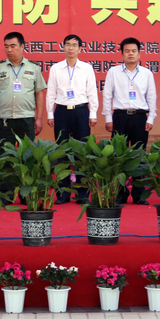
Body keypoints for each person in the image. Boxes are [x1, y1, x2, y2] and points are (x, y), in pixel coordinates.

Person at [0, 32, 47, 202]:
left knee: (27, 157)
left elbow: (39, 94)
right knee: (5, 157)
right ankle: (5, 194)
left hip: (26, 118)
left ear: (22, 46)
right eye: (6, 46)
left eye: (13, 46)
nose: (9, 50)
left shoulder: (33, 68)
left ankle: (26, 194)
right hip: (4, 119)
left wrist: (39, 118)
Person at [102, 37, 156, 205]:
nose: (130, 54)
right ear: (122, 54)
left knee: (139, 156)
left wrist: (151, 117)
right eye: (127, 51)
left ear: (139, 54)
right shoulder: (113, 72)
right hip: (120, 117)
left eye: (134, 51)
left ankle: (139, 194)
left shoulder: (147, 74)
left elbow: (152, 97)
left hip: (140, 117)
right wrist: (108, 118)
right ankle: (121, 193)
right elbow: (107, 96)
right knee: (119, 157)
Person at [46, 34, 98, 205]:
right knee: (62, 154)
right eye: (67, 44)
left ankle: (82, 194)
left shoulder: (87, 68)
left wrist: (93, 113)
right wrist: (50, 114)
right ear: (63, 47)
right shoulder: (56, 68)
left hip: (81, 111)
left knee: (82, 154)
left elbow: (92, 92)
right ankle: (63, 193)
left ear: (80, 49)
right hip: (62, 112)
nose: (70, 48)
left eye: (74, 45)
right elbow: (51, 93)